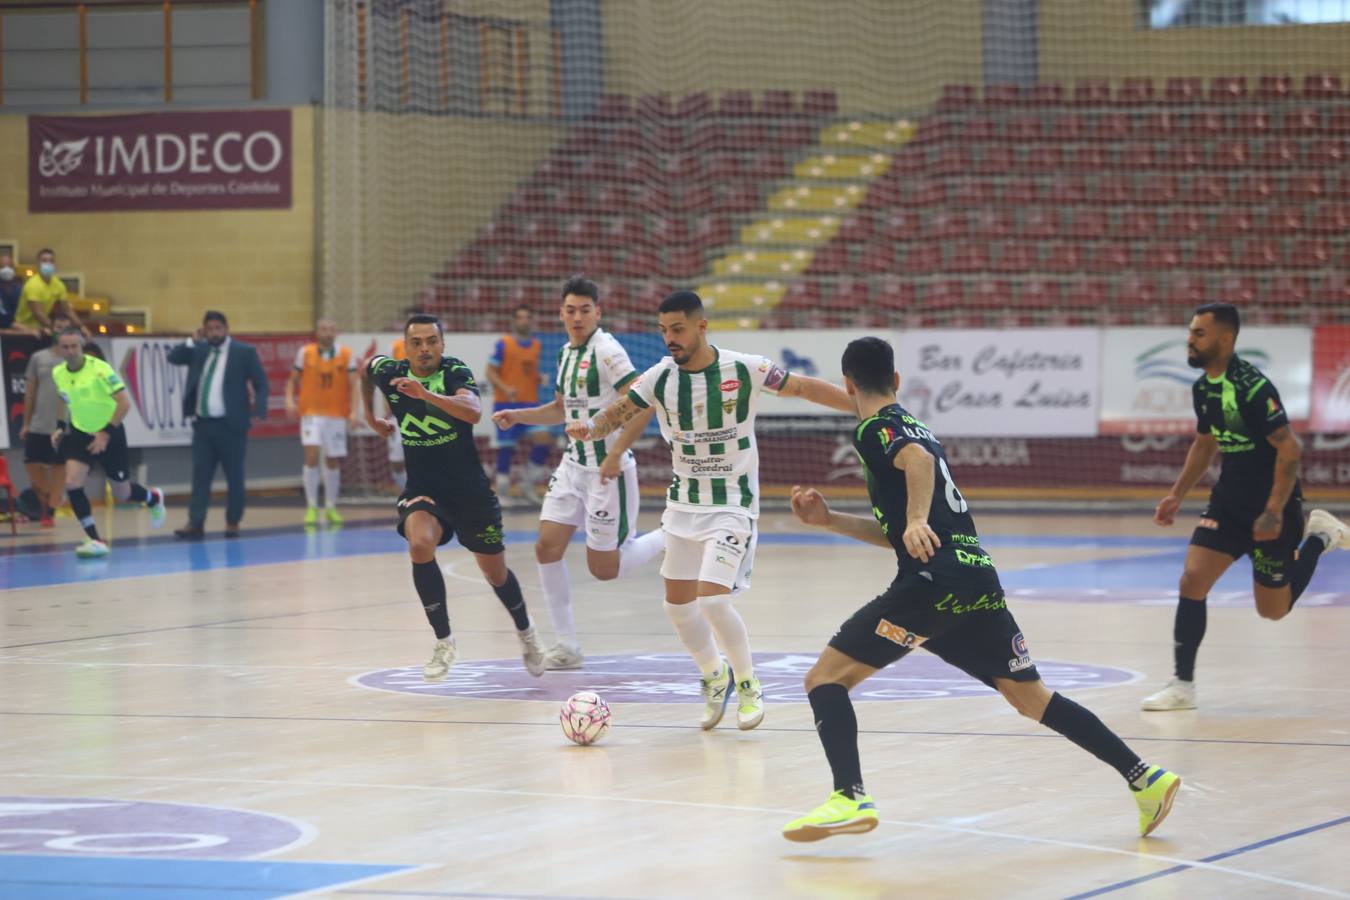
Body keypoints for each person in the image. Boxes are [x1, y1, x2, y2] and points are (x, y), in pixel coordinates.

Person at [781, 336, 1181, 842]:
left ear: (848, 384)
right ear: (898, 381)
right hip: (976, 580)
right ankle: (1145, 778)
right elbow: (906, 532)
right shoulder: (918, 424)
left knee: (825, 679)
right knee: (1030, 697)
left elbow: (917, 468)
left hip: (934, 585)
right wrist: (830, 520)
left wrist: (918, 518)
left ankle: (848, 796)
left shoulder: (875, 428)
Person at [567, 290, 854, 730]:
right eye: (664, 331)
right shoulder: (661, 377)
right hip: (683, 506)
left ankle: (748, 684)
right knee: (678, 609)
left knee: (713, 600)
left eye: (678, 329)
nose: (670, 339)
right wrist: (589, 428)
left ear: (702, 326)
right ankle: (713, 676)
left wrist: (861, 406)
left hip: (732, 504)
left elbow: (802, 386)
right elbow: (619, 411)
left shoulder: (745, 367)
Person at [1141, 303, 1347, 711]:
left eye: (1199, 333)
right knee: (1191, 581)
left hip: (1273, 508)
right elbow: (1205, 443)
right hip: (1229, 501)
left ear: (1224, 339)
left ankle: (1320, 537)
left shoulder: (1252, 388)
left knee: (1273, 611)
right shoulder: (1203, 388)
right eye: (1190, 332)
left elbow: (1290, 450)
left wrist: (1273, 510)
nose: (1190, 339)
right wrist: (1177, 494)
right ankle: (1183, 685)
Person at [492, 277, 664, 670]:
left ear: (597, 313)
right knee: (546, 546)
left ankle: (672, 533)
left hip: (608, 469)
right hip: (573, 464)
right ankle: (567, 646)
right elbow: (560, 408)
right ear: (561, 314)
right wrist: (518, 415)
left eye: (585, 310)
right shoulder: (567, 353)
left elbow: (644, 403)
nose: (577, 317)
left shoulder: (607, 351)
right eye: (570, 310)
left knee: (606, 570)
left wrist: (615, 453)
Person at [363, 313, 546, 680]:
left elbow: (474, 411)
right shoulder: (390, 371)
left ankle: (526, 632)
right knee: (419, 544)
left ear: (442, 345)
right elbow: (365, 370)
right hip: (424, 491)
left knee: (495, 574)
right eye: (416, 342)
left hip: (470, 493)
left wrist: (425, 395)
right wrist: (371, 418)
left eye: (432, 341)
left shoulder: (454, 372)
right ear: (406, 346)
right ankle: (444, 641)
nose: (425, 348)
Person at [49, 327, 165, 557]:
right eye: (66, 347)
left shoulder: (100, 369)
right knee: (72, 483)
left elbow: (124, 403)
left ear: (82, 346)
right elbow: (63, 399)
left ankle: (153, 498)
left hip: (110, 433)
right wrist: (60, 427)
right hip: (80, 433)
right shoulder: (58, 373)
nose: (71, 351)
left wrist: (105, 433)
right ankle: (95, 538)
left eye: (75, 346)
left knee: (122, 492)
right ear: (58, 349)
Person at [168, 311, 269, 539]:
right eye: (209, 329)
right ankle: (196, 522)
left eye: (217, 328)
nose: (214, 333)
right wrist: (192, 340)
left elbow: (261, 382)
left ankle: (233, 521)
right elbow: (173, 357)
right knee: (200, 476)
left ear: (226, 329)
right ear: (204, 330)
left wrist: (259, 409)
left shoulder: (243, 352)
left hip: (231, 426)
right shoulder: (200, 350)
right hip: (203, 426)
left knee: (234, 477)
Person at [286, 318, 360, 527]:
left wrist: (354, 412)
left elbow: (354, 385)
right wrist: (289, 399)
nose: (327, 333)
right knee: (310, 454)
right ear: (318, 332)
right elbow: (293, 379)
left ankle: (330, 506)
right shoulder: (306, 353)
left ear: (336, 332)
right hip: (311, 412)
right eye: (324, 329)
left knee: (332, 460)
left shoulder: (346, 354)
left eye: (331, 329)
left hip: (336, 414)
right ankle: (311, 506)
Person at [486, 305, 553, 503]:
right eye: (520, 317)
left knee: (544, 440)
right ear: (514, 321)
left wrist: (537, 378)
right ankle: (501, 493)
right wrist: (506, 388)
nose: (524, 321)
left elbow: (528, 372)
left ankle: (527, 484)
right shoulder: (503, 344)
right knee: (507, 448)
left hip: (530, 404)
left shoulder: (536, 345)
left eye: (527, 317)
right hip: (506, 403)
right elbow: (490, 372)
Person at [20, 311, 75, 526]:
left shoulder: (76, 360)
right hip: (40, 422)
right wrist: (26, 422)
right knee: (31, 462)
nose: (61, 330)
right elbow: (30, 392)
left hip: (65, 426)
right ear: (51, 329)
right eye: (58, 326)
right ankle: (46, 496)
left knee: (59, 466)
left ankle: (50, 510)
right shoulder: (38, 358)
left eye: (66, 327)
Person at [15, 248, 84, 336]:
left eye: (51, 261)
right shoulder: (32, 285)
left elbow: (67, 310)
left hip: (44, 327)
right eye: (44, 261)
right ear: (38, 264)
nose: (48, 263)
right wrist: (56, 329)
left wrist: (82, 327)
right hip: (24, 328)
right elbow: (38, 313)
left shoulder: (59, 284)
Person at [0, 254, 31, 334]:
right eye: (3, 267)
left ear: (14, 269)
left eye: (9, 267)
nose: (6, 270)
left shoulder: (22, 289)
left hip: (22, 332)